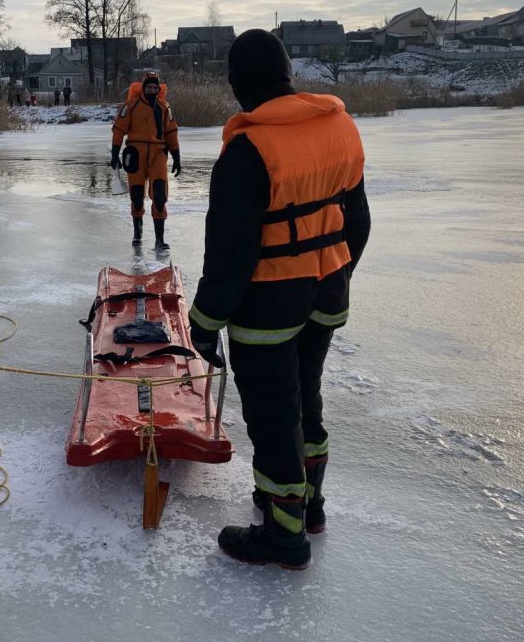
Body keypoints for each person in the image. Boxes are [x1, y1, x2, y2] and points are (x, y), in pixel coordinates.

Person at [188, 29, 370, 569]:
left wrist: (204, 322)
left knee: (272, 416)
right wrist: (335, 272)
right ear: (288, 73)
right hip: (326, 292)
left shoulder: (248, 150)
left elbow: (230, 253)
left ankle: (283, 533)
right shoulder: (340, 128)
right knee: (306, 398)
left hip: (268, 307)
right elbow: (355, 221)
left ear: (239, 85)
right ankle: (309, 506)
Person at [109, 71, 181, 249]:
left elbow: (171, 133)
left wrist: (177, 157)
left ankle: (159, 239)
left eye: (155, 87)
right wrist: (115, 153)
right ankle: (137, 233)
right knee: (136, 195)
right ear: (143, 88)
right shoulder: (131, 105)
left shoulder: (164, 107)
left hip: (158, 153)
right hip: (136, 154)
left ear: (158, 89)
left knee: (159, 195)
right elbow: (119, 129)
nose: (152, 90)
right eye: (149, 87)